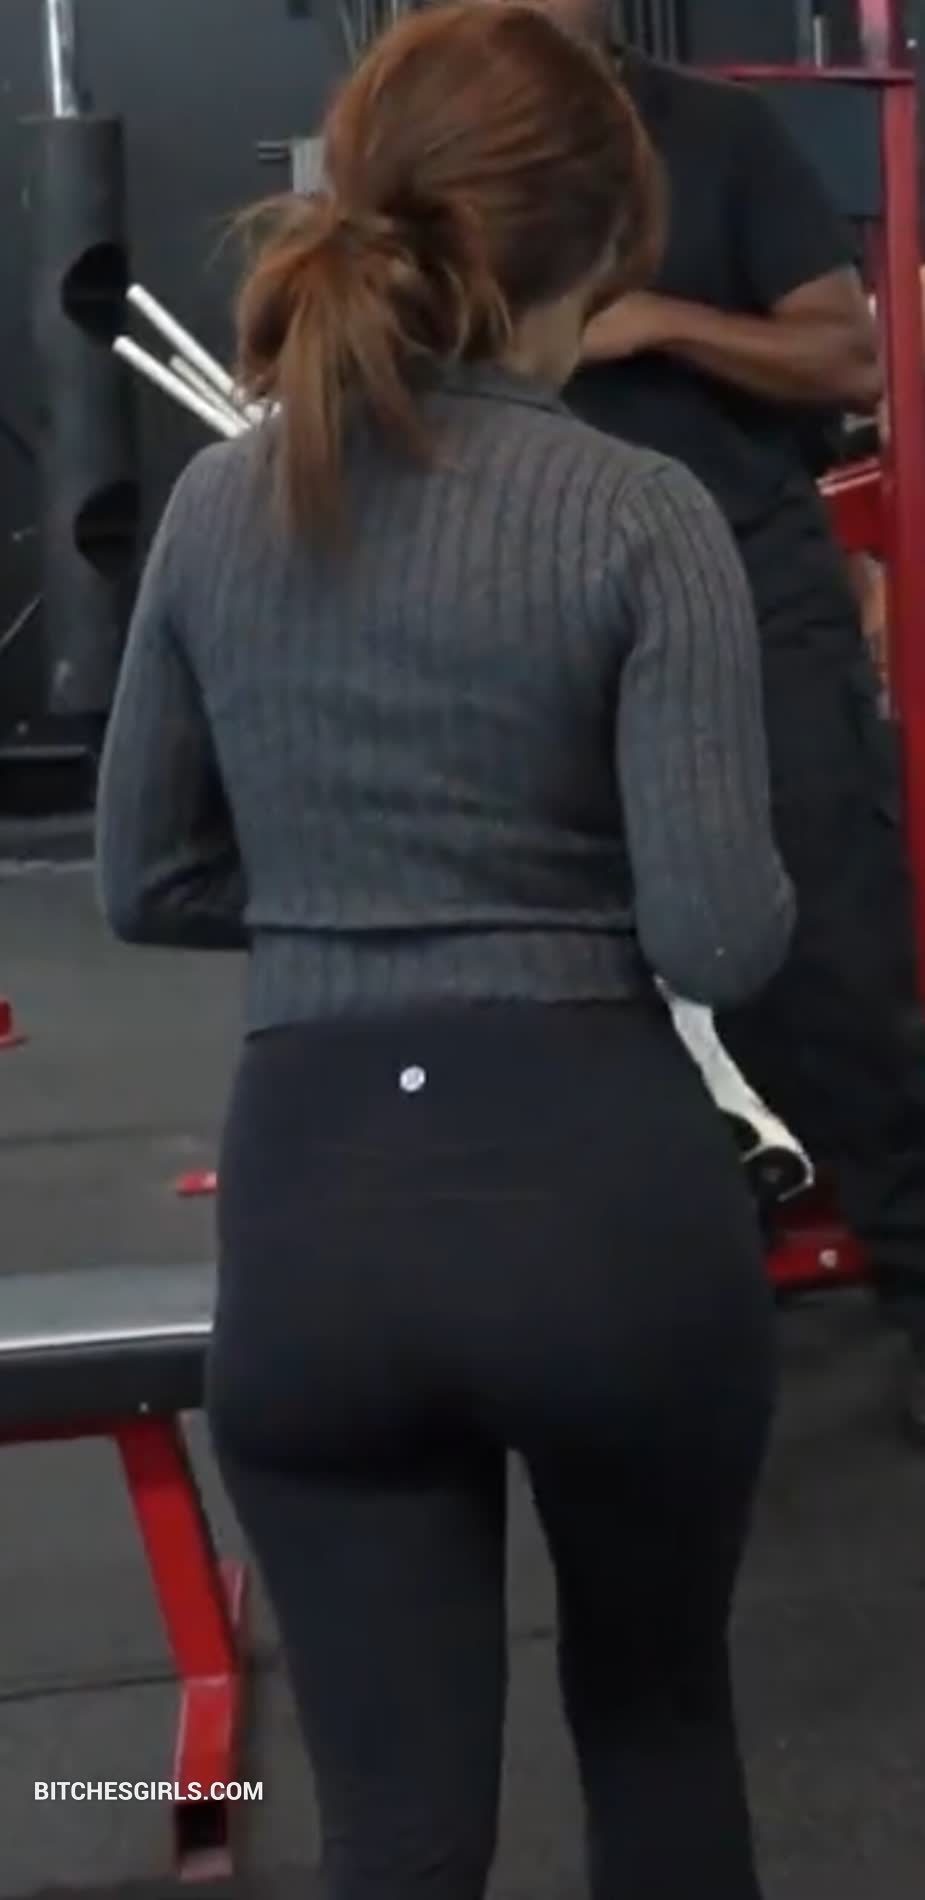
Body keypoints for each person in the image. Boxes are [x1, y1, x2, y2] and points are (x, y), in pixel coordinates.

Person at [95, 7, 792, 1894]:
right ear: (614, 239)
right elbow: (718, 932)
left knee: (394, 1837)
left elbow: (145, 880)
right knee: (656, 1732)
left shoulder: (221, 501)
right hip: (597, 1207)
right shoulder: (642, 513)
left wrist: (354, 895)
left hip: (320, 1213)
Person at [541, 0, 925, 1437]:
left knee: (824, 960)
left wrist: (655, 322)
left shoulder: (718, 135)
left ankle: (914, 1276)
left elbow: (847, 363)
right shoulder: (433, 137)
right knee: (540, 965)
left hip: (747, 590)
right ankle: (617, 1297)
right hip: (523, 601)